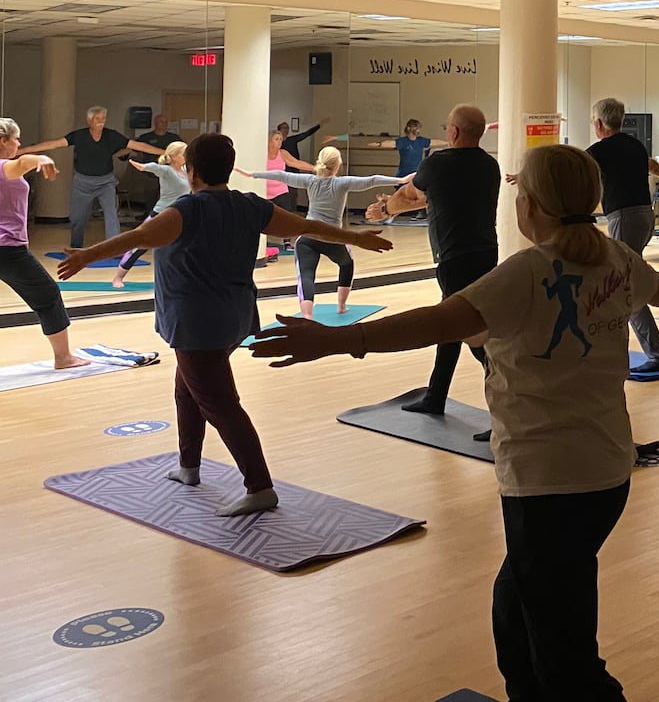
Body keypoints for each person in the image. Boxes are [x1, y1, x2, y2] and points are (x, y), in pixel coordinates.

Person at [251, 143, 659, 700]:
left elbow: (438, 321)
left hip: (547, 480)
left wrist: (339, 339)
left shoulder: (528, 272)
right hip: (605, 472)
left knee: (565, 653)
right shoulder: (615, 259)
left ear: (530, 207)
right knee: (517, 610)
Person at [58, 133, 392, 516]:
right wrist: (353, 238)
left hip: (197, 325)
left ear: (191, 171)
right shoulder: (250, 206)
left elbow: (140, 237)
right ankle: (188, 466)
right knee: (187, 390)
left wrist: (87, 255)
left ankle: (260, 486)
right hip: (232, 318)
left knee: (221, 405)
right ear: (229, 170)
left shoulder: (188, 210)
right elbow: (305, 225)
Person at [364, 105, 501, 418]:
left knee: (472, 334)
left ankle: (509, 400)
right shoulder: (489, 165)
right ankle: (436, 396)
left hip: (454, 257)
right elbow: (428, 197)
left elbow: (412, 196)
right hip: (485, 253)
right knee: (451, 325)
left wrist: (384, 210)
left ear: (452, 132)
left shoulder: (438, 163)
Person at [240, 146, 407, 319]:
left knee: (306, 275)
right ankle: (341, 306)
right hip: (333, 238)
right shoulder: (342, 183)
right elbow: (372, 180)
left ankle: (307, 317)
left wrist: (253, 174)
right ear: (337, 165)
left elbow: (282, 176)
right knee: (346, 264)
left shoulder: (310, 181)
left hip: (307, 238)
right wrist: (401, 180)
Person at [587, 97, 659, 373]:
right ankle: (642, 349)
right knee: (624, 280)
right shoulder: (635, 145)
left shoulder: (598, 150)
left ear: (598, 123)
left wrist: (527, 177)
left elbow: (568, 167)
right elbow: (652, 165)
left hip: (626, 217)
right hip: (645, 216)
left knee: (624, 286)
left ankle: (658, 355)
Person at [0, 118, 89, 369]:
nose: (19, 143)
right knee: (48, 296)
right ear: (3, 141)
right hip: (8, 250)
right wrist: (42, 159)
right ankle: (64, 358)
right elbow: (22, 163)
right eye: (16, 139)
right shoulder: (5, 167)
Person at [20, 107, 168, 248]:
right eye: (97, 118)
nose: (101, 121)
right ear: (89, 120)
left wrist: (163, 152)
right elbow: (54, 144)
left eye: (103, 118)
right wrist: (24, 150)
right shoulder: (79, 135)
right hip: (82, 182)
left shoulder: (111, 135)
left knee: (111, 214)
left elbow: (138, 145)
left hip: (106, 182)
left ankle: (114, 246)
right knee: (78, 218)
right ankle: (76, 245)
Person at [111, 141, 189, 289]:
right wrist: (143, 167)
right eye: (184, 152)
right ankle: (118, 277)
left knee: (184, 248)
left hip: (179, 216)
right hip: (160, 214)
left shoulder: (186, 171)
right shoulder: (167, 171)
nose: (187, 155)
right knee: (139, 245)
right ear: (174, 156)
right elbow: (155, 168)